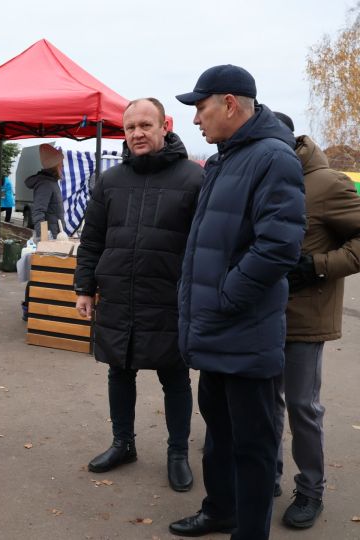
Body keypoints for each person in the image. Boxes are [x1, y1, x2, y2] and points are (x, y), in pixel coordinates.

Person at [170, 65, 305, 539]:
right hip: (217, 333)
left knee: (252, 447)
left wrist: (226, 297)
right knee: (219, 438)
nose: (195, 120)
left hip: (244, 334)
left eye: (200, 108)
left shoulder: (272, 157)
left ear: (229, 103)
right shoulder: (228, 157)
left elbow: (279, 247)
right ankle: (219, 511)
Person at [74, 98, 203, 492]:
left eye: (145, 125)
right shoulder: (111, 181)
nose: (137, 134)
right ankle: (122, 443)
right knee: (120, 371)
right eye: (130, 128)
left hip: (169, 299)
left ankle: (178, 452)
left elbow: (203, 245)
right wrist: (84, 287)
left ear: (165, 125)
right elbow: (92, 237)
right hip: (119, 295)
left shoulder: (193, 179)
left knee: (175, 377)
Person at [271, 111, 360, 529]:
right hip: (260, 315)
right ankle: (267, 473)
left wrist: (318, 266)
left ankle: (311, 490)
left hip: (305, 316)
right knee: (265, 401)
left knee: (302, 406)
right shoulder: (266, 173)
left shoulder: (326, 183)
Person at [24, 144, 68, 240]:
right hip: (50, 239)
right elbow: (39, 212)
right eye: (61, 163)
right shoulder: (45, 184)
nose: (63, 165)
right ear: (55, 166)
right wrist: (44, 238)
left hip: (55, 236)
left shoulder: (51, 182)